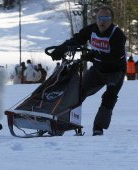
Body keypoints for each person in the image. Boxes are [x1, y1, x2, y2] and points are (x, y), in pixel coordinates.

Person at [50, 6, 126, 136]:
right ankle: (62, 123)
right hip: (97, 70)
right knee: (78, 93)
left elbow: (114, 58)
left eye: (106, 18)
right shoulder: (92, 30)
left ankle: (98, 128)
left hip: (115, 72)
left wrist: (93, 55)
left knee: (109, 97)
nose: (102, 22)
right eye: (99, 18)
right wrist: (61, 49)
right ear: (96, 19)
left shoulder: (117, 35)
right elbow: (77, 39)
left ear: (111, 20)